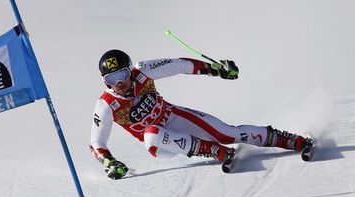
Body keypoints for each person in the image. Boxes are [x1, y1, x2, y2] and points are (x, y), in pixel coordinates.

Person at [90, 49, 312, 179]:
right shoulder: (106, 105)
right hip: (160, 144)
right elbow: (96, 143)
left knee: (227, 133)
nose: (119, 83)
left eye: (122, 74)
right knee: (151, 133)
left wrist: (216, 70)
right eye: (111, 79)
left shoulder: (143, 71)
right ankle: (213, 151)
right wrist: (109, 162)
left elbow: (179, 65)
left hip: (173, 116)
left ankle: (291, 140)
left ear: (130, 70)